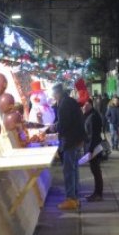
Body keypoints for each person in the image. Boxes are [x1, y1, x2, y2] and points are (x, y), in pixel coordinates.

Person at [52, 83, 84, 211]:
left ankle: (71, 198)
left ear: (57, 93)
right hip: (76, 140)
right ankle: (75, 198)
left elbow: (64, 124)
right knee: (74, 169)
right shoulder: (70, 101)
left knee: (69, 171)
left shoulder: (64, 104)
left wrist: (55, 127)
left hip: (70, 141)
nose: (53, 96)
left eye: (53, 94)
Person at [83, 99, 105, 202]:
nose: (83, 107)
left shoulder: (93, 116)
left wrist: (90, 150)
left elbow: (93, 135)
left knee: (96, 171)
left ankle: (98, 194)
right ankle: (96, 193)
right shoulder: (91, 115)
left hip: (94, 147)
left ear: (90, 105)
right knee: (95, 170)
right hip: (93, 146)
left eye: (85, 104)